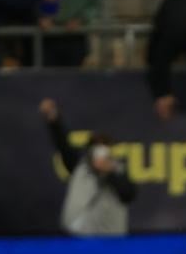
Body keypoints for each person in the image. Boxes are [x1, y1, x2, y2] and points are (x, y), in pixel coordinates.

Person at [39, 98, 136, 236]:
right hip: (77, 238)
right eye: (96, 148)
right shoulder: (80, 165)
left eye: (105, 147)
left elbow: (129, 195)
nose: (100, 153)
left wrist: (109, 172)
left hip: (111, 243)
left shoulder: (119, 169)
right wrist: (53, 118)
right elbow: (63, 144)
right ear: (89, 150)